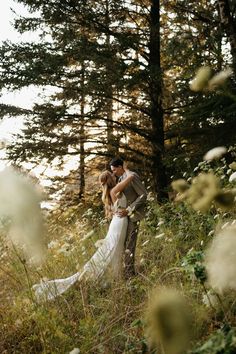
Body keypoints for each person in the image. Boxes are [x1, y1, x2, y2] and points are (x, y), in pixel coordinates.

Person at [32, 170, 134, 301]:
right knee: (113, 249)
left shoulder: (109, 192)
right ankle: (115, 278)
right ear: (111, 178)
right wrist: (127, 171)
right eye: (113, 174)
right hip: (120, 222)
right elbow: (130, 178)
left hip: (118, 222)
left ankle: (116, 277)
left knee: (114, 250)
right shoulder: (114, 190)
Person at [110, 157, 147, 278]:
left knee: (130, 245)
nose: (113, 173)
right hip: (123, 219)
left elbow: (143, 195)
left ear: (120, 167)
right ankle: (125, 272)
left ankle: (129, 275)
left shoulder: (133, 176)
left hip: (133, 216)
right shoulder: (120, 178)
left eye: (114, 170)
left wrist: (129, 210)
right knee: (123, 245)